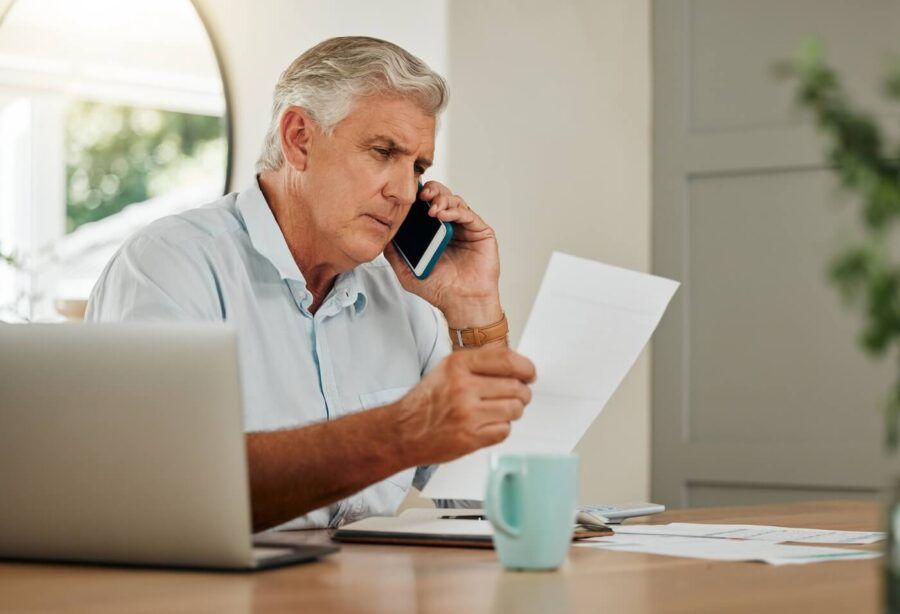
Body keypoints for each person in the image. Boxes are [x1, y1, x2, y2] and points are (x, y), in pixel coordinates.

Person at [86, 36, 536, 531]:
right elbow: (163, 488)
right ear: (299, 138)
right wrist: (400, 431)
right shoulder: (170, 266)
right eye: (383, 151)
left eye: (418, 167)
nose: (404, 191)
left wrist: (472, 308)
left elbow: (491, 499)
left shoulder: (401, 297)